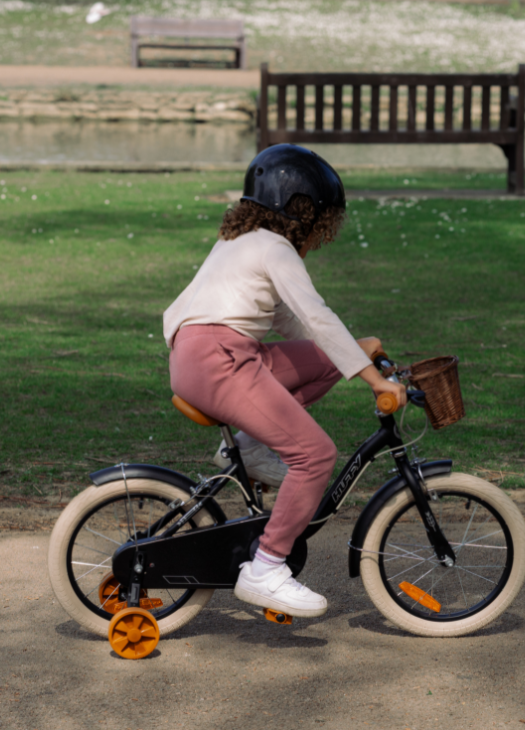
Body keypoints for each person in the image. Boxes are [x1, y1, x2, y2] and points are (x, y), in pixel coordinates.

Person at [163, 144, 406, 618]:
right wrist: (376, 381)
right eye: (324, 221)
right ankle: (266, 568)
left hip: (208, 355)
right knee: (315, 456)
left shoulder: (243, 241)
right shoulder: (274, 247)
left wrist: (355, 354)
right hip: (222, 361)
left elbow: (294, 326)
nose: (323, 233)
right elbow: (316, 316)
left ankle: (251, 449)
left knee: (327, 359)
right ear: (303, 210)